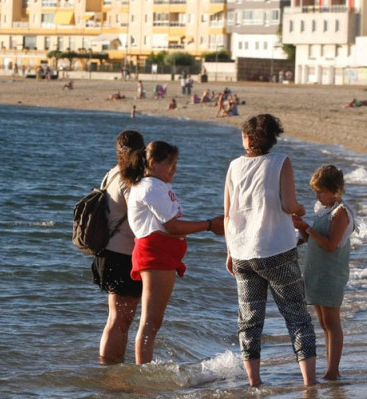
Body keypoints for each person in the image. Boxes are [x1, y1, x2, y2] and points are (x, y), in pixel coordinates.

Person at [224, 114, 317, 387]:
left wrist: (229, 251)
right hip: (276, 249)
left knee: (250, 321)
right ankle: (309, 383)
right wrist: (300, 209)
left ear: (249, 139)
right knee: (297, 317)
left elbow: (228, 214)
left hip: (242, 251)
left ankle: (254, 382)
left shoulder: (234, 166)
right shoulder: (281, 162)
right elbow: (289, 205)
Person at [121, 141, 223, 365]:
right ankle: (143, 370)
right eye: (170, 164)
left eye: (176, 163)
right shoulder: (150, 187)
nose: (174, 169)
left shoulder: (157, 186)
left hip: (162, 255)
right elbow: (172, 227)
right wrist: (209, 225)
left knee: (153, 321)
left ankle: (144, 367)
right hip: (155, 255)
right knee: (150, 321)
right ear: (152, 163)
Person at [293, 165, 355, 381]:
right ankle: (331, 368)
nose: (318, 196)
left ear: (335, 190)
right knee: (323, 322)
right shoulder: (323, 210)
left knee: (332, 322)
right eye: (316, 191)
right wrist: (302, 228)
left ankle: (333, 370)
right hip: (316, 271)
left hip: (331, 271)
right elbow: (314, 240)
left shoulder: (341, 213)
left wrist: (308, 228)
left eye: (321, 191)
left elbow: (330, 244)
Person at [92, 130, 146, 364]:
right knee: (122, 321)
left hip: (106, 253)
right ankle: (113, 369)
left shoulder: (111, 174)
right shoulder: (130, 180)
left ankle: (108, 367)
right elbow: (139, 223)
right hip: (123, 256)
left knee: (115, 318)